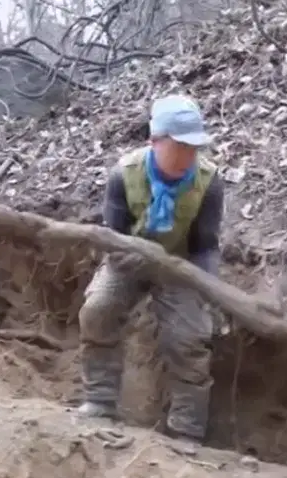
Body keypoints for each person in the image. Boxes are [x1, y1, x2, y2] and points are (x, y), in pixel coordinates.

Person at [78, 94, 225, 445]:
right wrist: (141, 257)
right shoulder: (123, 175)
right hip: (126, 260)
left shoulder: (209, 182)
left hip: (180, 266)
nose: (188, 156)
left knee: (190, 338)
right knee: (98, 309)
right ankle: (99, 401)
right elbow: (113, 241)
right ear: (154, 141)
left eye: (194, 148)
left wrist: (208, 288)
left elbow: (206, 246)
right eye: (179, 146)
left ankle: (187, 428)